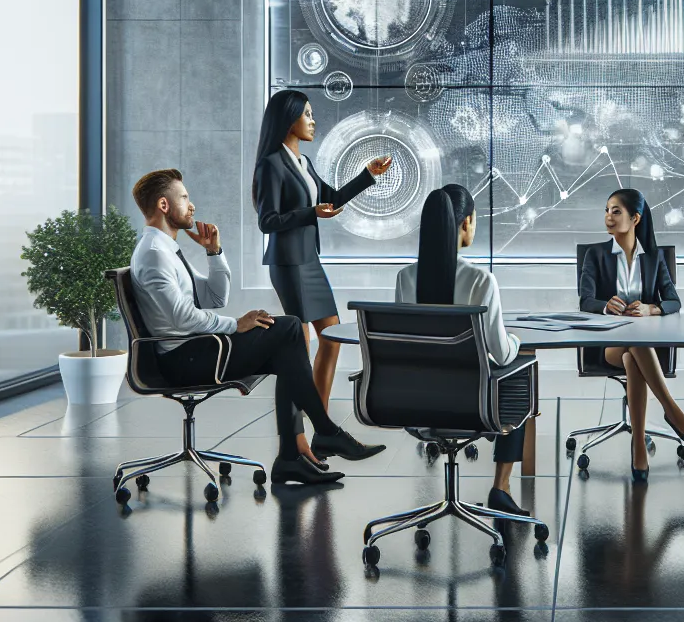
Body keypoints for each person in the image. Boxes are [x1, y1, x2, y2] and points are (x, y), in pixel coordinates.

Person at [127, 168, 369, 486]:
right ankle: (323, 434)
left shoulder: (166, 250)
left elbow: (213, 296)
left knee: (288, 344)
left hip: (195, 349)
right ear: (163, 205)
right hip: (183, 359)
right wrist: (236, 325)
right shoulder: (156, 254)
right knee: (290, 329)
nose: (192, 205)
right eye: (184, 197)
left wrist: (213, 252)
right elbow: (182, 318)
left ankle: (293, 457)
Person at [252, 89, 389, 467]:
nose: (313, 120)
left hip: (308, 260)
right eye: (308, 114)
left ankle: (321, 431)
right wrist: (310, 212)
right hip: (289, 263)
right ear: (290, 118)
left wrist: (367, 175)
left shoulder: (303, 161)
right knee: (300, 350)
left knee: (331, 338)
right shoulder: (271, 164)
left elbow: (330, 199)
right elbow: (268, 221)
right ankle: (301, 442)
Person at [394, 184, 535, 517]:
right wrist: (515, 341)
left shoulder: (405, 278)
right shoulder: (481, 280)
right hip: (472, 406)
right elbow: (501, 355)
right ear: (466, 223)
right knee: (522, 371)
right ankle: (500, 488)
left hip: (414, 404)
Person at [577, 188, 684, 483]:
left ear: (635, 218)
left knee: (634, 357)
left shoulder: (654, 258)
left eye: (616, 211)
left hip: (645, 349)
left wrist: (651, 309)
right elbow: (585, 300)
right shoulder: (595, 255)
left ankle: (638, 446)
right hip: (608, 343)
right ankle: (671, 409)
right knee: (633, 344)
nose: (608, 217)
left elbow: (674, 301)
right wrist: (604, 305)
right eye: (607, 210)